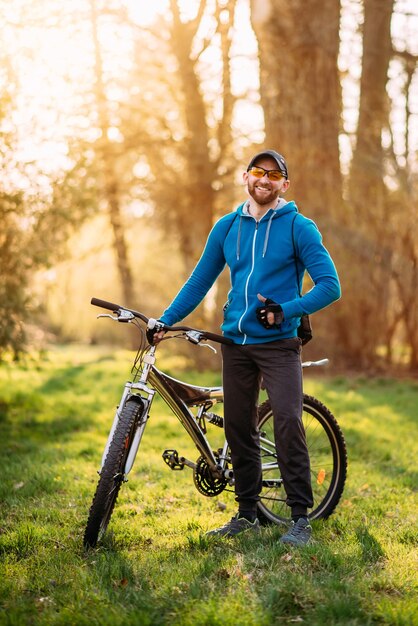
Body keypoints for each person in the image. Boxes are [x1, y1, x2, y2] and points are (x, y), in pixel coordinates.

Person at [148, 150, 341, 546]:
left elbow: (329, 286)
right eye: (258, 172)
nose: (264, 180)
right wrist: (165, 320)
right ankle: (247, 513)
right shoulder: (226, 227)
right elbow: (200, 281)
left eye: (274, 175)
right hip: (235, 343)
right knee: (239, 427)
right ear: (246, 177)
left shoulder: (300, 228)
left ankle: (300, 518)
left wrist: (287, 310)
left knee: (288, 421)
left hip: (279, 345)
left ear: (284, 185)